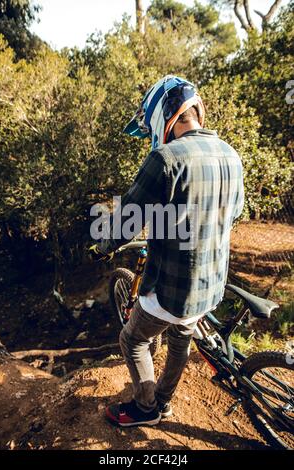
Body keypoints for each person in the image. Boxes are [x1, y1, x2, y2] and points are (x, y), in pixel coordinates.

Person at [90, 75, 244, 427]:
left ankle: (146, 409)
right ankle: (165, 400)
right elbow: (231, 214)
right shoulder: (230, 154)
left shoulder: (166, 158)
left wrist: (101, 248)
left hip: (174, 287)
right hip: (211, 284)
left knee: (132, 339)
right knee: (181, 337)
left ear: (162, 116)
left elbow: (127, 221)